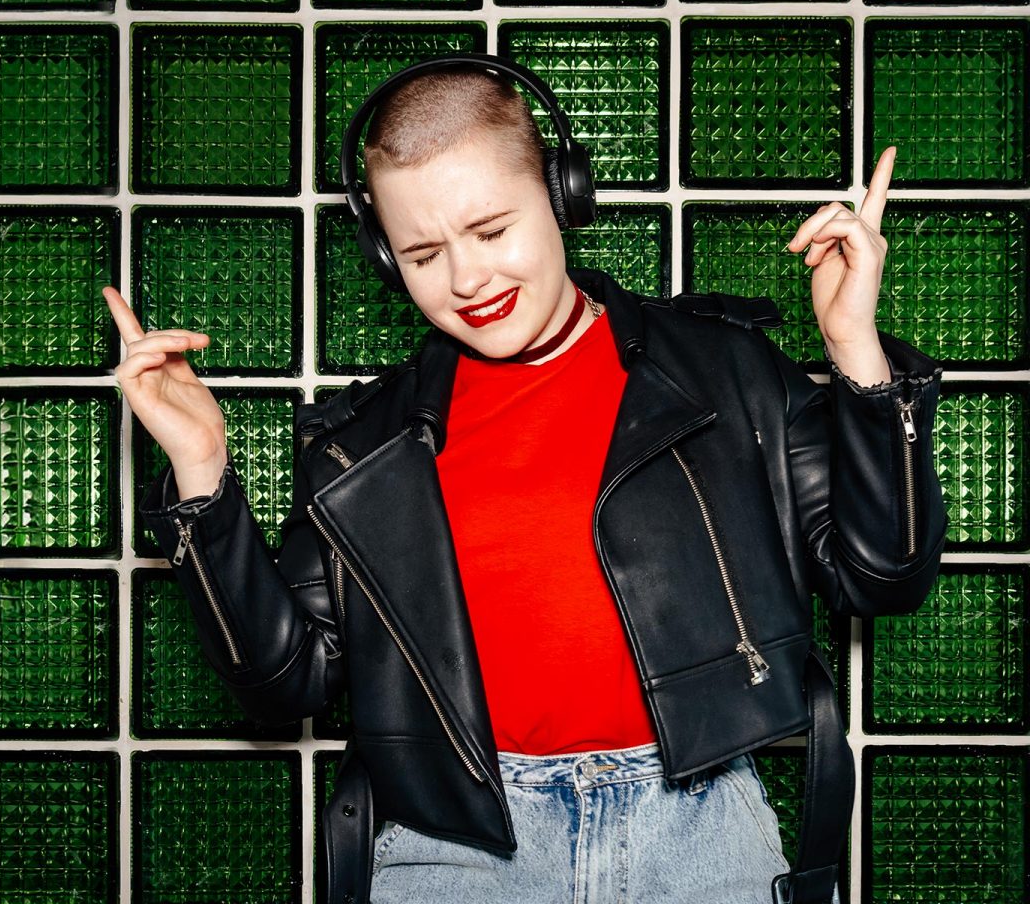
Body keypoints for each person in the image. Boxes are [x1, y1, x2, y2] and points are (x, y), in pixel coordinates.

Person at [105, 63, 946, 904]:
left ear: (561, 195)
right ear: (384, 256)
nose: (466, 280)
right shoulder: (360, 444)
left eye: (491, 230)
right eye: (425, 253)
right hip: (454, 849)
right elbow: (284, 681)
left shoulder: (727, 370)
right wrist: (201, 468)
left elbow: (883, 577)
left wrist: (856, 353)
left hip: (700, 833)